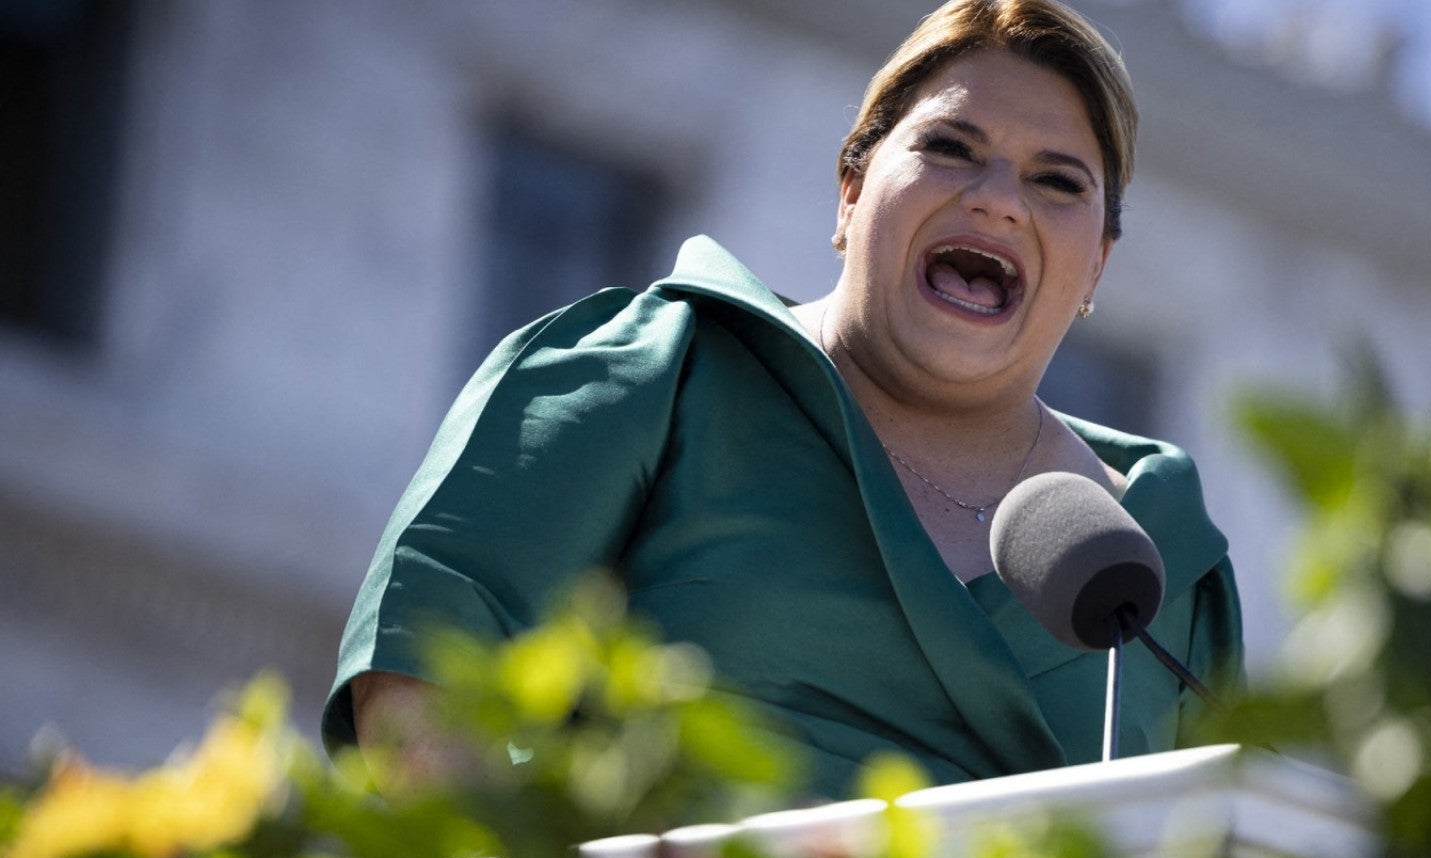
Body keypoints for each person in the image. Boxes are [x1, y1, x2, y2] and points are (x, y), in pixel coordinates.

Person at [325, 0, 1242, 799]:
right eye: (950, 149)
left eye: (1057, 181)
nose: (999, 201)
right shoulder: (664, 370)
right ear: (850, 192)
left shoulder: (1165, 552)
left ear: (1097, 267)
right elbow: (425, 670)